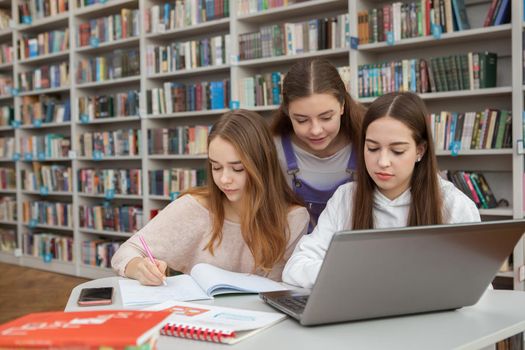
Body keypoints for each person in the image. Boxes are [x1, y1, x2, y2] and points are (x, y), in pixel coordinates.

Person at [282, 92, 480, 288]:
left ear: (420, 150)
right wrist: (357, 274)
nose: (382, 162)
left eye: (397, 151)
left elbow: (477, 283)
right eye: (373, 148)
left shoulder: (453, 204)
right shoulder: (346, 198)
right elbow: (296, 267)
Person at [111, 110, 309, 285]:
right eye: (216, 167)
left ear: (262, 165)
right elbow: (126, 251)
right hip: (199, 319)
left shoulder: (293, 218)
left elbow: (283, 289)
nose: (224, 179)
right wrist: (139, 268)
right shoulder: (193, 207)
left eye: (237, 168)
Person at [271, 58, 366, 230]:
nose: (315, 130)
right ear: (287, 112)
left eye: (326, 117)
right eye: (301, 120)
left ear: (342, 105)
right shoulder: (273, 149)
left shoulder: (369, 145)